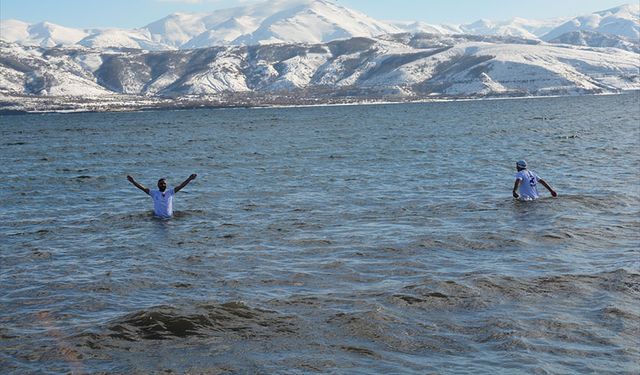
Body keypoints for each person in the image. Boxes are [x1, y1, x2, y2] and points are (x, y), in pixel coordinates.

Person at [127, 174, 197, 218]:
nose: (163, 185)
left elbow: (181, 186)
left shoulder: (170, 192)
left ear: (166, 185)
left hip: (169, 219)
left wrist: (189, 179)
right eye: (161, 183)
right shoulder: (154, 193)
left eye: (164, 183)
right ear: (158, 185)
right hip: (158, 219)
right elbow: (142, 188)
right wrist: (133, 181)